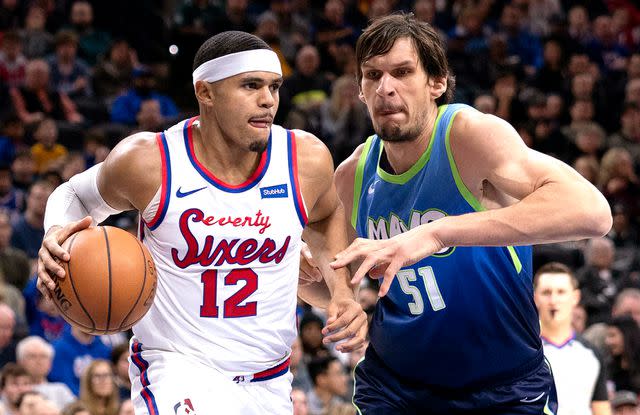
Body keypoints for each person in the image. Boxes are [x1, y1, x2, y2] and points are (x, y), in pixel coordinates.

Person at [37, 30, 366, 414]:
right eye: (250, 85)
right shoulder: (150, 161)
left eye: (274, 87)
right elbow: (74, 195)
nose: (268, 100)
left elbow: (326, 216)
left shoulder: (304, 159)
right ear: (205, 93)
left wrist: (341, 293)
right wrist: (56, 231)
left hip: (270, 377)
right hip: (177, 367)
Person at [327, 14, 612, 414]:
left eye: (402, 72)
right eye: (372, 75)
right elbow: (333, 281)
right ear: (359, 88)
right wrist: (339, 297)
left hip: (502, 386)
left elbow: (593, 212)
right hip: (395, 387)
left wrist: (439, 232)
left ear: (437, 82)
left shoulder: (467, 135)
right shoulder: (353, 174)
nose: (385, 88)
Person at [533, 262, 610, 415]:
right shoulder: (524, 352)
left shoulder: (591, 354)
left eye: (561, 292)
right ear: (535, 297)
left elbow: (601, 410)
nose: (554, 300)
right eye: (546, 292)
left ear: (575, 297)